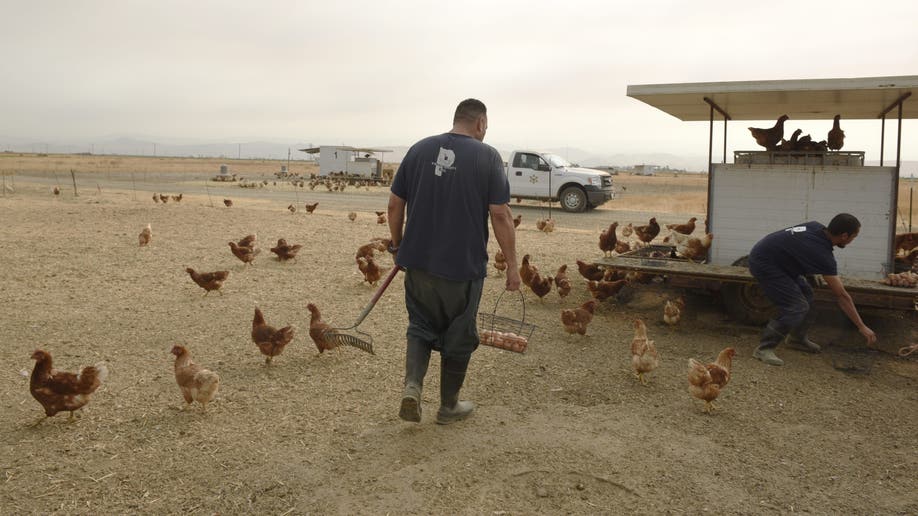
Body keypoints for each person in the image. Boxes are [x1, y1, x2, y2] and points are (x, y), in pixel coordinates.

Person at [387, 98, 521, 424]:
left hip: (417, 264)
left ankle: (413, 386)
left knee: (419, 326)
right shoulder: (487, 156)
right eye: (486, 127)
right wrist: (513, 266)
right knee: (459, 334)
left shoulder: (418, 150)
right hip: (462, 269)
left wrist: (399, 245)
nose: (485, 132)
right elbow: (501, 215)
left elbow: (394, 205)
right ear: (479, 123)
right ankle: (448, 407)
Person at [748, 213, 878, 366]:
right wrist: (861, 326)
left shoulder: (815, 226)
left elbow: (797, 246)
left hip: (778, 261)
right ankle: (764, 349)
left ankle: (797, 339)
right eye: (854, 237)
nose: (852, 240)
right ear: (844, 236)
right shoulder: (823, 255)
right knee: (797, 306)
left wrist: (809, 271)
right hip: (765, 264)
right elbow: (842, 296)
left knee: (807, 294)